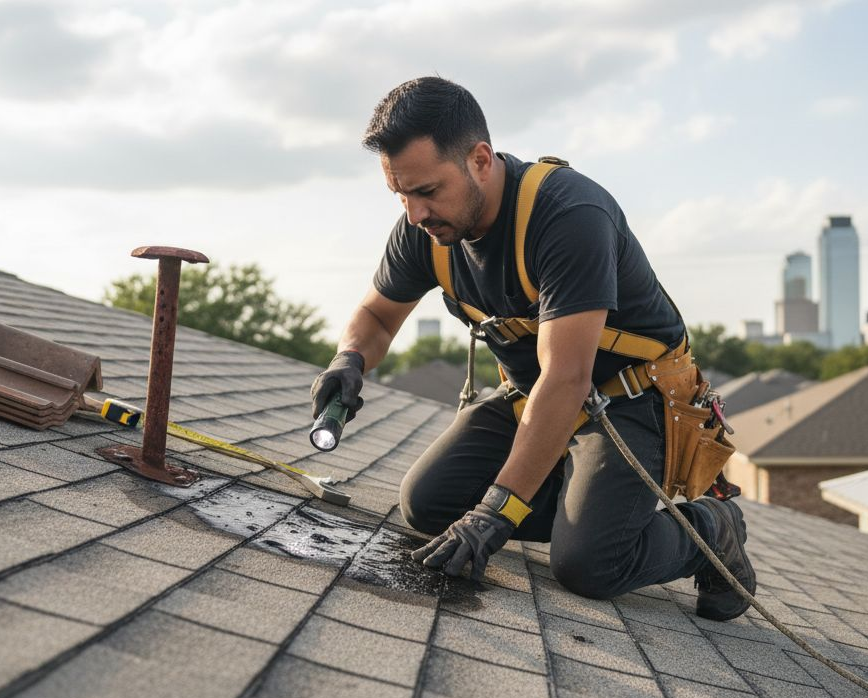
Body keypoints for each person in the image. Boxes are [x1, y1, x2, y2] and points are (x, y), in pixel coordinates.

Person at [310, 76, 756, 620]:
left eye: (426, 192)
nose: (415, 215)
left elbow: (566, 378)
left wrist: (495, 514)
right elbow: (377, 316)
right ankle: (584, 503)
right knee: (426, 505)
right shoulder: (427, 230)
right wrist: (349, 359)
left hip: (633, 403)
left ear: (479, 160)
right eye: (400, 195)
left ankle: (714, 527)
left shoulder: (569, 216)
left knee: (590, 564)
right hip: (534, 398)